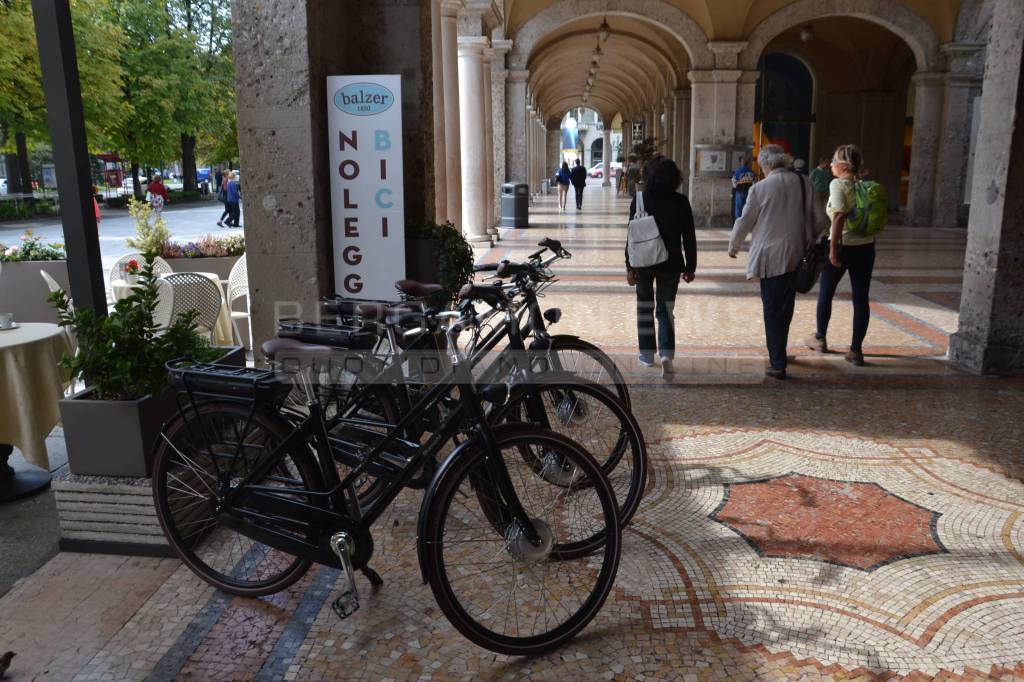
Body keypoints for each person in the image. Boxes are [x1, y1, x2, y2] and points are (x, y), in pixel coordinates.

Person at [728, 144, 827, 380]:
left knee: (772, 309)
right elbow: (821, 219)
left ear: (767, 164)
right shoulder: (805, 183)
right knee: (786, 307)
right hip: (798, 256)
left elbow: (745, 220)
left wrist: (734, 246)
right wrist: (808, 237)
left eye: (761, 166)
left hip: (770, 258)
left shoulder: (760, 188)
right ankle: (779, 351)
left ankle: (777, 363)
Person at [625, 158, 697, 377]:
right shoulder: (681, 201)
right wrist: (690, 266)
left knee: (644, 307)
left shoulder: (640, 199)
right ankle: (666, 353)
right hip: (672, 263)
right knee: (666, 309)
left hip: (644, 263)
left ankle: (647, 355)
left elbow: (631, 237)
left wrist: (629, 266)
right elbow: (689, 237)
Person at [805, 144, 874, 366]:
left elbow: (838, 217)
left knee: (826, 291)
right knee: (861, 298)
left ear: (843, 165)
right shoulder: (864, 186)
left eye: (834, 161)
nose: (832, 165)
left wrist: (833, 249)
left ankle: (820, 337)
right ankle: (856, 350)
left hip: (844, 246)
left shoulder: (838, 184)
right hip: (866, 247)